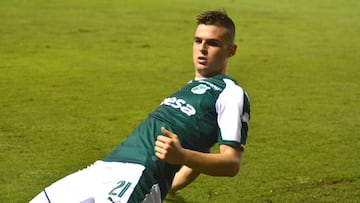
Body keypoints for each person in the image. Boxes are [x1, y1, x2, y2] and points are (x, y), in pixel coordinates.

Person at [30, 10, 250, 203]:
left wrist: (181, 156)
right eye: (198, 40)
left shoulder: (230, 93)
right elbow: (200, 150)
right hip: (104, 166)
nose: (202, 49)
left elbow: (231, 163)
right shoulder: (190, 87)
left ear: (231, 50)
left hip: (141, 177)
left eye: (212, 43)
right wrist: (175, 183)